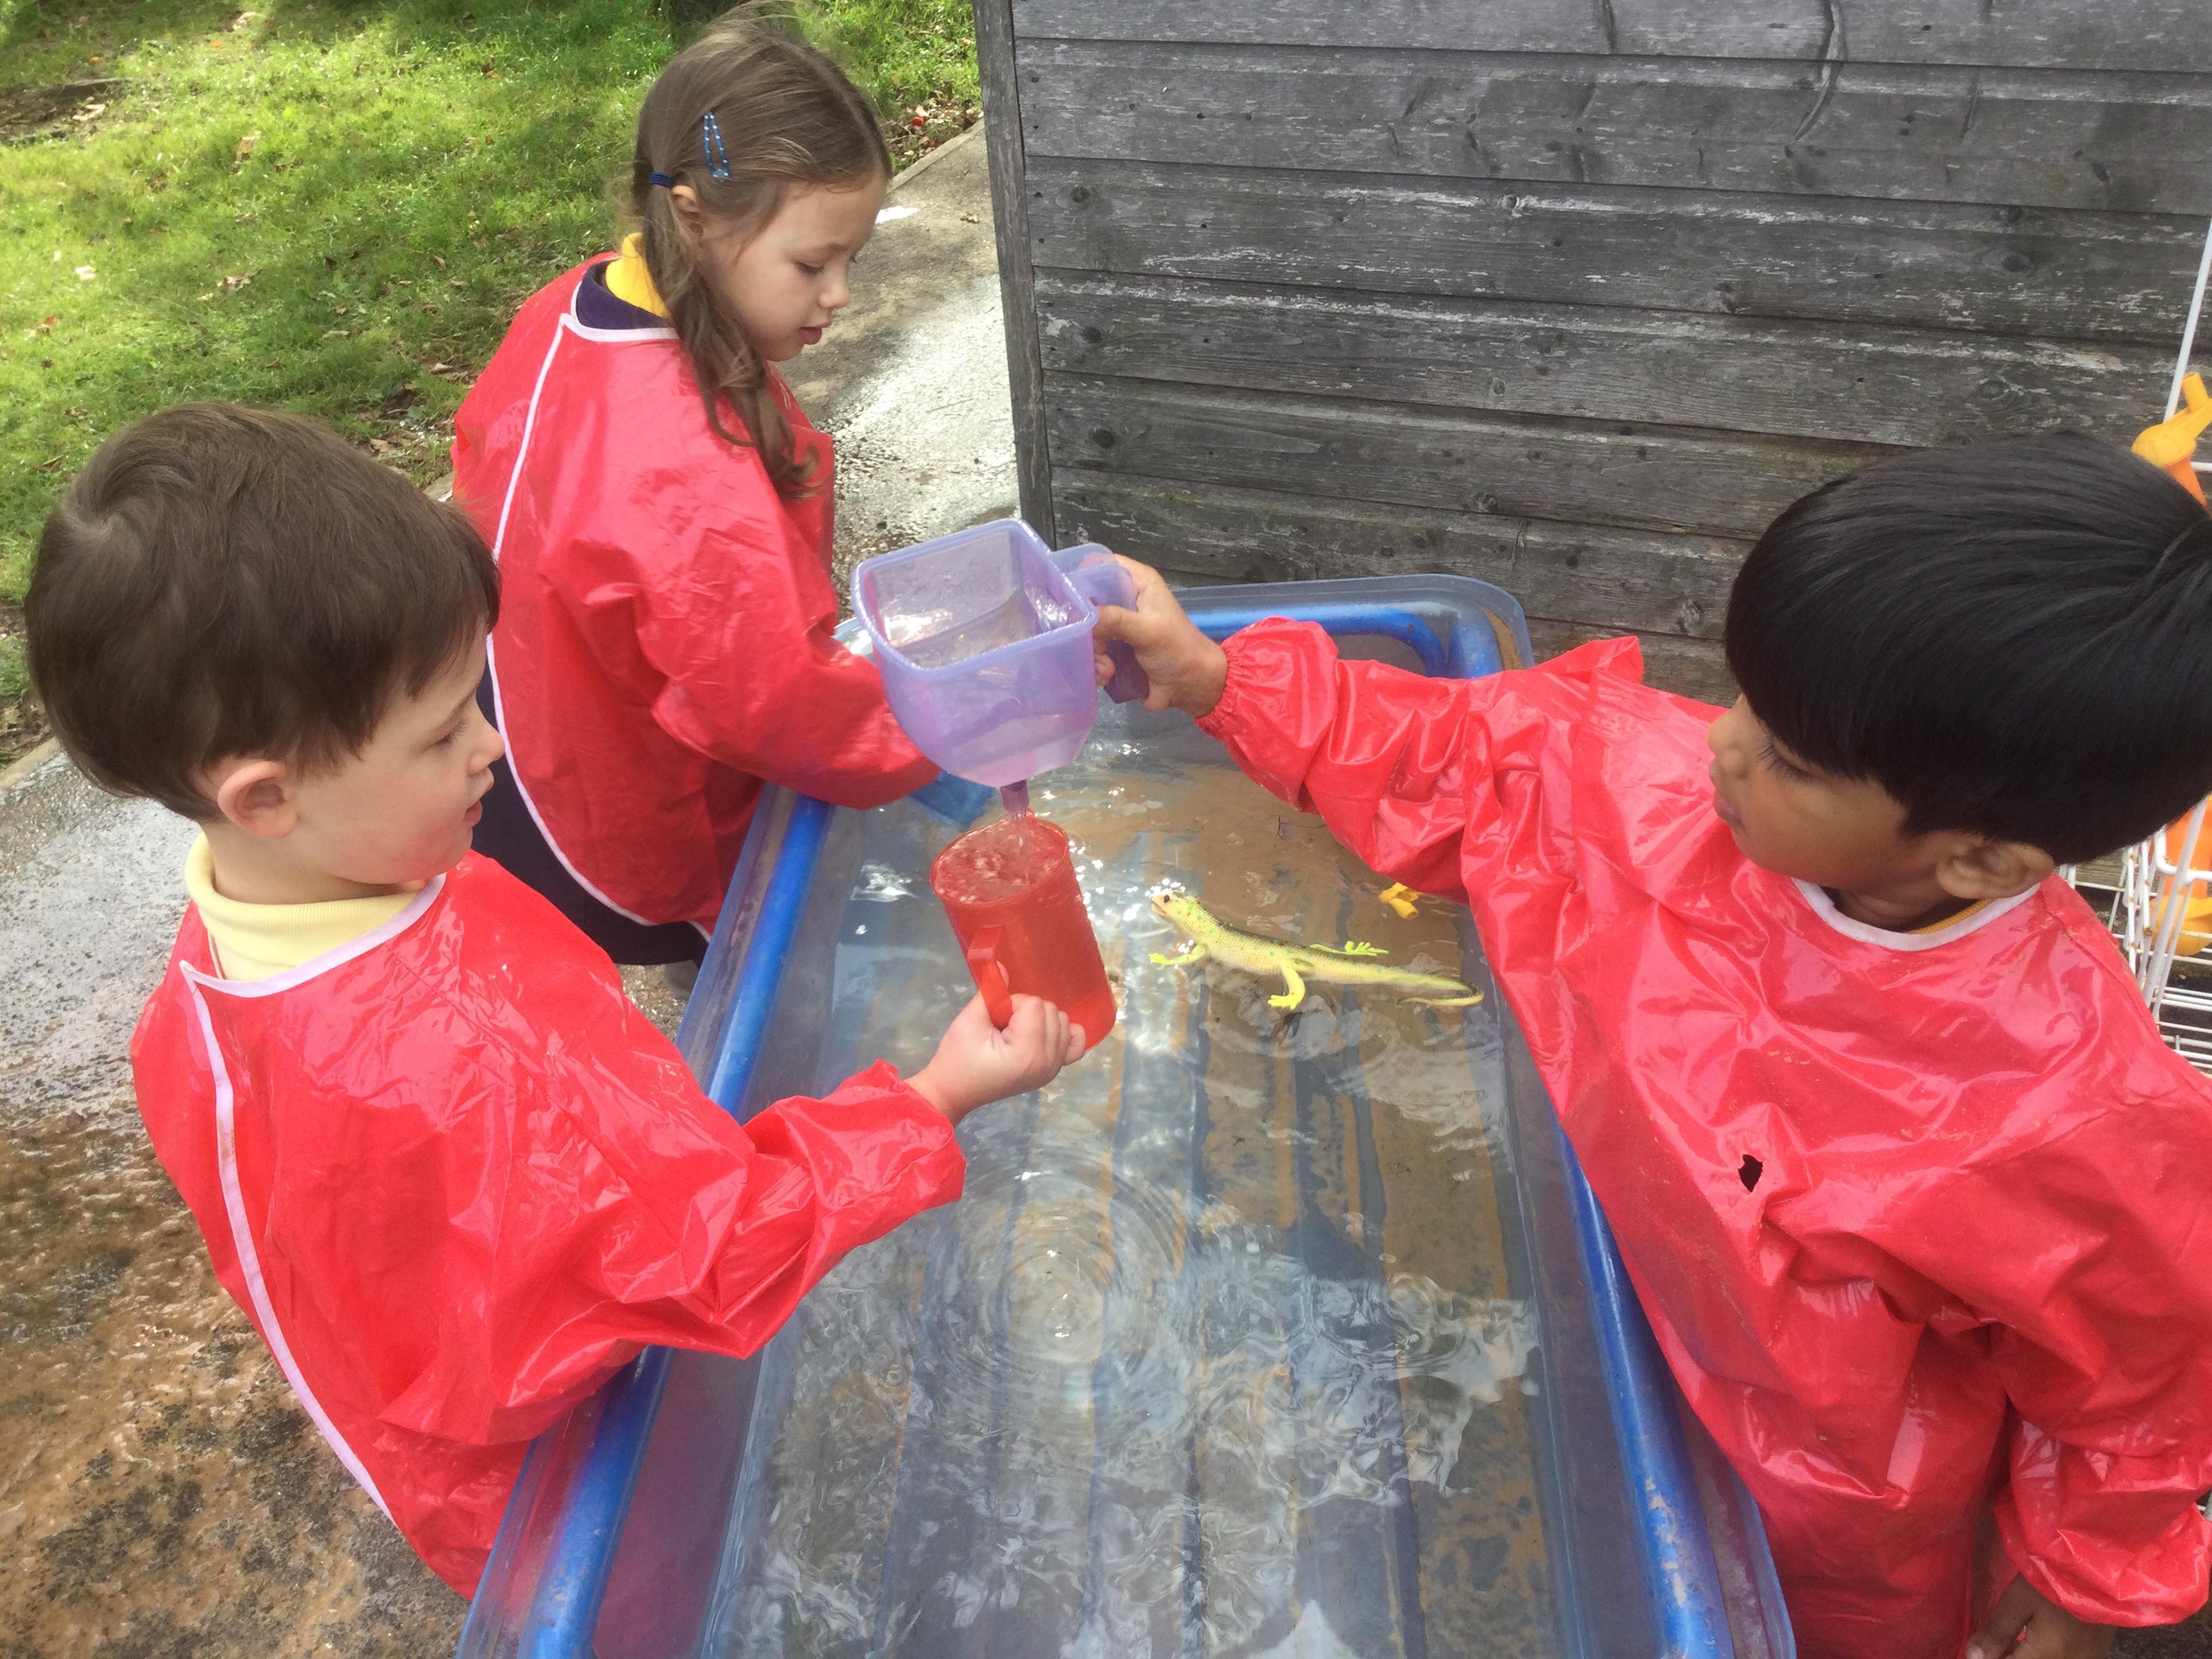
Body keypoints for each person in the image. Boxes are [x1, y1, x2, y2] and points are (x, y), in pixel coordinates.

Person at [1092, 435, 2212, 1659]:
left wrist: (2084, 1584)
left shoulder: (2066, 1112)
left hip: (1835, 1503)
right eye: (1747, 696)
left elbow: (2139, 1380)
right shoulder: (1664, 789)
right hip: (1621, 1314)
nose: (1722, 742)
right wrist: (1217, 681)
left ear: (1982, 859)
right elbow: (1462, 758)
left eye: (1789, 757)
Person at [24, 403, 1086, 1595]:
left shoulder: (211, 966)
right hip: (557, 1497)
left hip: (404, 1438)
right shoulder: (471, 1053)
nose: (492, 747)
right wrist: (936, 1096)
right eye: (441, 735)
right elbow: (710, 1255)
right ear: (265, 797)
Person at [450, 18, 965, 967]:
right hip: (611, 826)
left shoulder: (573, 303)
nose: (841, 295)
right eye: (811, 265)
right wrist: (947, 725)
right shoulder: (683, 475)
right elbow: (776, 703)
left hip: (510, 722)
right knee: (739, 990)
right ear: (693, 218)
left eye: (852, 260)